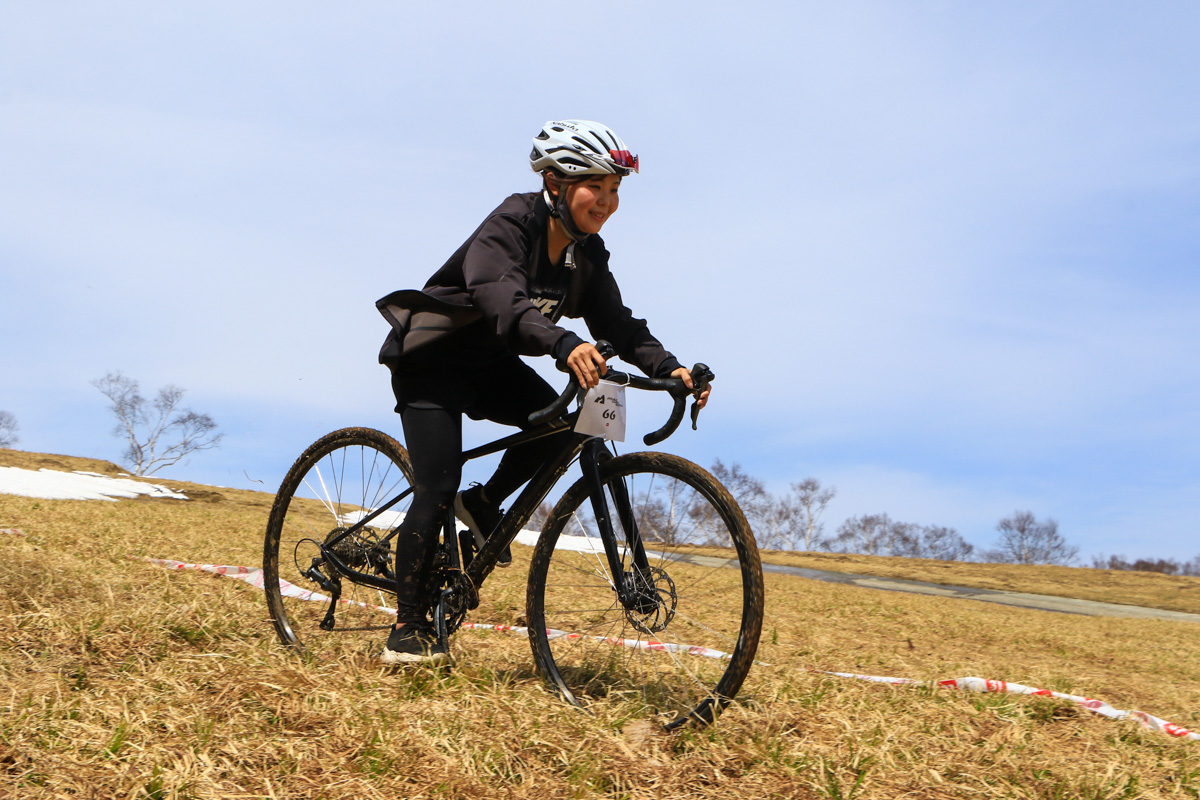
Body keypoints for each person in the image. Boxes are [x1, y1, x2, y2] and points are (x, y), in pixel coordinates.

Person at [374, 119, 710, 664]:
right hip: (432, 364)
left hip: (490, 365)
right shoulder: (509, 225)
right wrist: (563, 343)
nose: (606, 201)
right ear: (554, 183)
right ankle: (407, 629)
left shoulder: (587, 255)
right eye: (594, 186)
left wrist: (671, 369)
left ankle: (482, 506)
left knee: (565, 431)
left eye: (614, 190)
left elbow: (621, 325)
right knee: (437, 484)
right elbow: (501, 299)